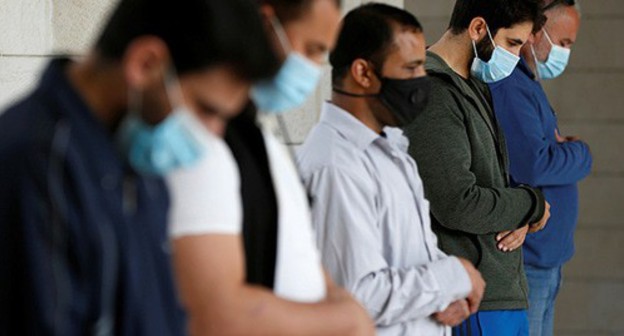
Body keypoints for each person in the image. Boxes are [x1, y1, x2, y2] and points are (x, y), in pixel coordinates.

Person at [0, 0, 280, 334]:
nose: (214, 136)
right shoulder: (38, 162)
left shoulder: (138, 159)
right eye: (207, 110)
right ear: (146, 64)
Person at [167, 0, 375, 335]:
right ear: (266, 26)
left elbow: (299, 250)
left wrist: (339, 301)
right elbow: (216, 312)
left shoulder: (261, 139)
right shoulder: (199, 144)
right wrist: (347, 320)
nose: (315, 67)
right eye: (312, 48)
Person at [297, 4, 486, 335]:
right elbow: (358, 296)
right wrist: (454, 276)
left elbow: (413, 256)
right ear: (363, 73)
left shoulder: (392, 150)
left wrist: (446, 294)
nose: (420, 82)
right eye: (410, 69)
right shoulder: (336, 164)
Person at [404, 0, 551, 335]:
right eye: (512, 43)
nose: (514, 58)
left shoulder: (472, 83)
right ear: (478, 28)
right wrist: (532, 205)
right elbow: (458, 203)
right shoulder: (434, 90)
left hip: (497, 291)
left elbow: (493, 184)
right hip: (473, 296)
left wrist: (520, 216)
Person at [488, 1, 591, 335]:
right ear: (535, 34)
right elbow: (536, 164)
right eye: (563, 43)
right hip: (528, 259)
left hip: (546, 258)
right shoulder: (510, 86)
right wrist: (581, 152)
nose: (565, 53)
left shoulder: (528, 83)